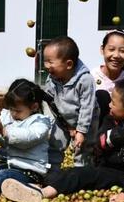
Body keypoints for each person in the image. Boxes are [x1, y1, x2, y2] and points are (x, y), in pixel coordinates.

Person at [0, 78, 124, 202]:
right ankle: (41, 193)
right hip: (109, 170)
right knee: (79, 173)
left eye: (113, 102)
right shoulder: (114, 118)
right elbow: (101, 144)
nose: (109, 105)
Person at [42, 36, 98, 168]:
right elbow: (51, 103)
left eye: (50, 62)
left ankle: (82, 171)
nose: (46, 66)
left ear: (68, 64)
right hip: (63, 119)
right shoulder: (52, 79)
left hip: (86, 121)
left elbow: (87, 107)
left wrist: (81, 131)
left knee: (82, 148)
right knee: (55, 143)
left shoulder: (85, 80)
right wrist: (65, 124)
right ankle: (52, 170)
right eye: (45, 61)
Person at [92, 30, 124, 126]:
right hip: (94, 133)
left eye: (122, 51)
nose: (116, 55)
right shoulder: (91, 77)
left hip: (119, 133)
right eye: (111, 49)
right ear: (102, 49)